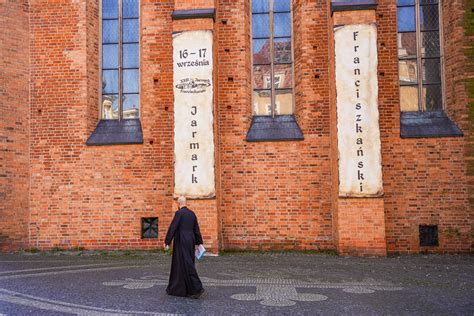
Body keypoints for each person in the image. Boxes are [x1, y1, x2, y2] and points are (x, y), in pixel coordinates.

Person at [164, 196, 205, 299]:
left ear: (179, 204)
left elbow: (173, 227)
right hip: (190, 241)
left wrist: (167, 242)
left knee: (183, 264)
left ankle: (196, 288)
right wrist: (198, 242)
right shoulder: (192, 214)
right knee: (188, 263)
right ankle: (184, 289)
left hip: (181, 241)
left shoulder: (179, 213)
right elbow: (196, 229)